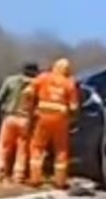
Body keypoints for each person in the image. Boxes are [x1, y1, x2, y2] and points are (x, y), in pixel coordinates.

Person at [25, 58, 79, 189]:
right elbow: (74, 107)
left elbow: (27, 92)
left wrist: (31, 108)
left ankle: (35, 179)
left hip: (43, 117)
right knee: (61, 150)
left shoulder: (43, 77)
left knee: (37, 147)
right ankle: (60, 181)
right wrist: (71, 118)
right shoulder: (69, 83)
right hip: (61, 119)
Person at [0, 62, 39, 183]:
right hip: (25, 119)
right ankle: (18, 174)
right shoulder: (37, 84)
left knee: (3, 146)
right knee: (22, 148)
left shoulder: (10, 80)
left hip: (9, 116)